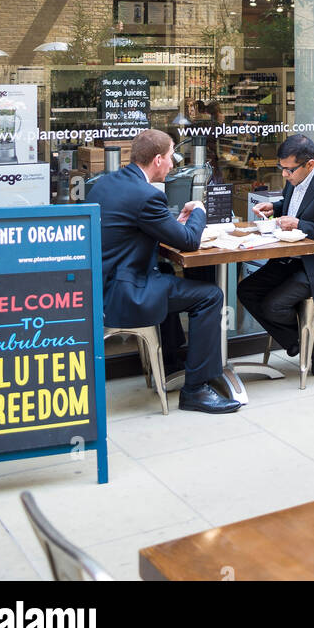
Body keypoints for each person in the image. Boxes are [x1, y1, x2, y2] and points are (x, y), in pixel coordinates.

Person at [93, 128, 240, 414]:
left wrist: (175, 221)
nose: (174, 164)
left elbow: (135, 226)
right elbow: (188, 241)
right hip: (125, 294)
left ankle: (173, 361)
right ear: (158, 159)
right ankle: (196, 388)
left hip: (103, 287)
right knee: (209, 296)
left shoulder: (107, 184)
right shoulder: (147, 195)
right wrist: (198, 210)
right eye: (172, 157)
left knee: (167, 276)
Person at [238, 133, 314, 375]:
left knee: (272, 306)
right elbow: (299, 208)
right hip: (292, 261)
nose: (284, 174)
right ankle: (301, 342)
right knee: (246, 290)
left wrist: (300, 224)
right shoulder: (295, 181)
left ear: (310, 164)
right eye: (282, 168)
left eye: (289, 170)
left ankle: (308, 340)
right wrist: (276, 208)